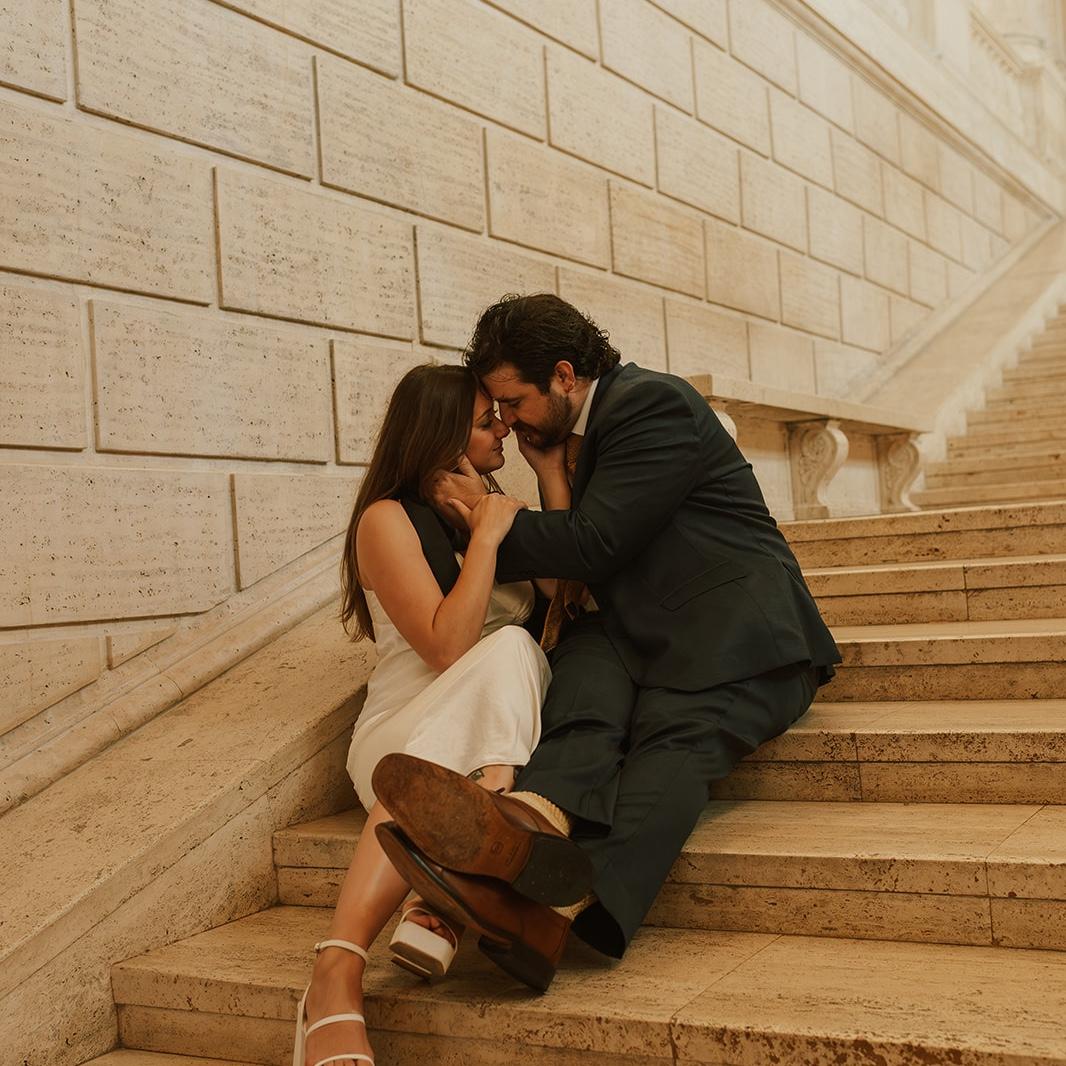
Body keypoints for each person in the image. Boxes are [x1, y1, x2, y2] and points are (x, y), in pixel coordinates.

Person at [371, 293, 842, 992]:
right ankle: (525, 819)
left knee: (672, 745)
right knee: (582, 681)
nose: (506, 421)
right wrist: (548, 472)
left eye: (513, 401)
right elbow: (580, 570)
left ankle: (541, 912)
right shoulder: (574, 437)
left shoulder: (652, 403)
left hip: (738, 637)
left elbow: (596, 542)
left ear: (564, 375)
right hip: (640, 634)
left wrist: (482, 520)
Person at [294, 363, 559, 1066]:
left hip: (492, 733)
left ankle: (445, 884)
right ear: (439, 437)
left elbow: (569, 592)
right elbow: (446, 648)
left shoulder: (491, 503)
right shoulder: (385, 520)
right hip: (401, 738)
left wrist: (543, 477)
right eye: (485, 421)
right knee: (508, 648)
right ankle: (338, 969)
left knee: (516, 655)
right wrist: (486, 540)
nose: (503, 427)